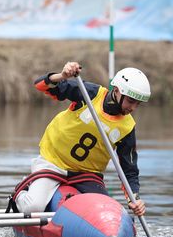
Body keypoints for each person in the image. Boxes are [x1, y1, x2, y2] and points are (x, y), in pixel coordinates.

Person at [13, 61, 148, 217]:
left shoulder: (128, 127)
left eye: (138, 104)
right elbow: (40, 85)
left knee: (105, 214)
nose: (132, 108)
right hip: (53, 162)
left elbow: (129, 169)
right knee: (32, 207)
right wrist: (62, 76)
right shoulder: (90, 93)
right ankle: (21, 192)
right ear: (117, 91)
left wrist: (135, 198)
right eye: (131, 101)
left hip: (87, 175)